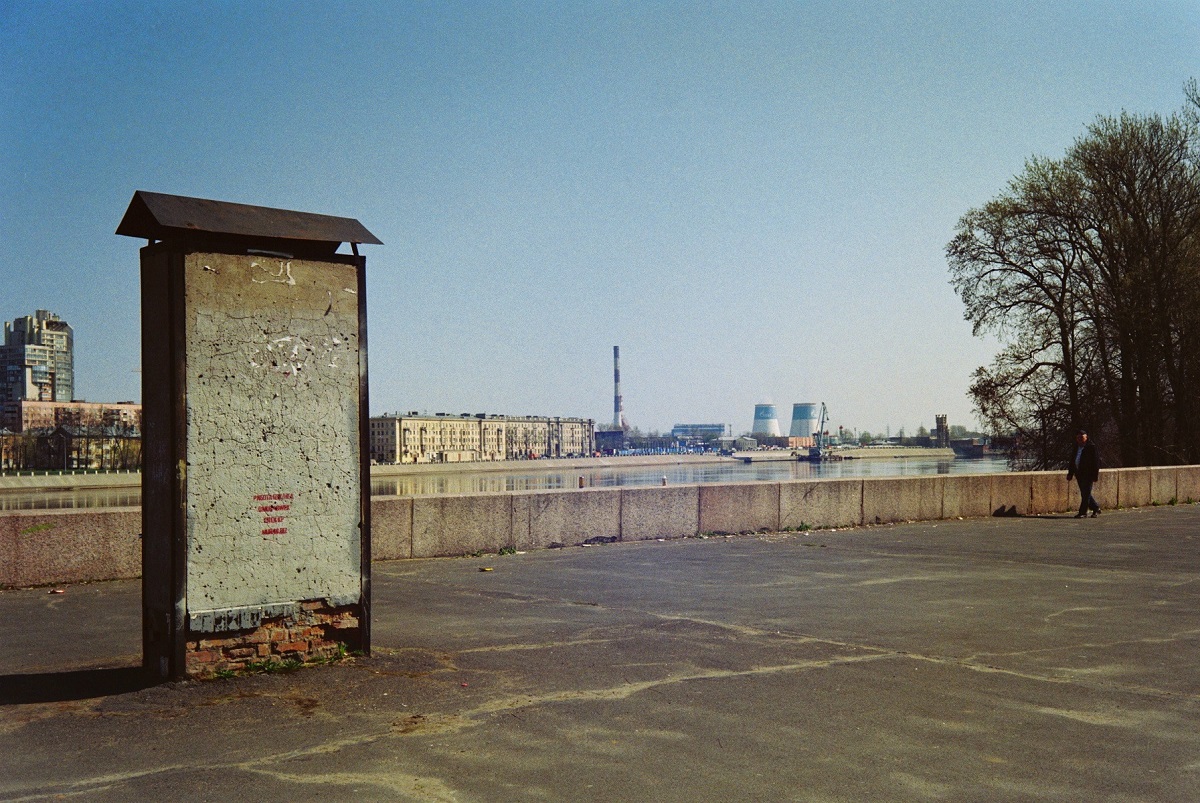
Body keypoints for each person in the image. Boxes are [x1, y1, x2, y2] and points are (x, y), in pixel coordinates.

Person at [1066, 429, 1101, 518]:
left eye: (1081, 437)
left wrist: (1095, 475)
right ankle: (1096, 508)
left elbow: (1096, 462)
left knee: (1085, 494)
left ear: (1086, 437)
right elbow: (1072, 461)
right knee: (1085, 493)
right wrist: (1070, 473)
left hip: (1088, 474)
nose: (1080, 439)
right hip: (1079, 473)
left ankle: (1083, 512)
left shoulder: (1091, 447)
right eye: (1078, 438)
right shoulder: (1076, 447)